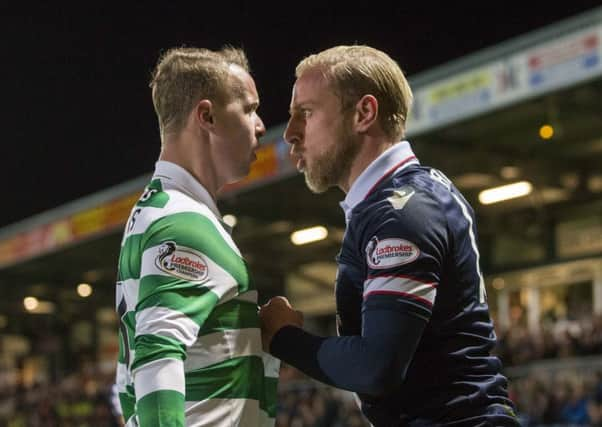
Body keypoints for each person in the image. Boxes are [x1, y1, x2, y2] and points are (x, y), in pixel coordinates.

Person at [259, 45, 519, 426]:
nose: (292, 134)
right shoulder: (401, 198)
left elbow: (375, 367)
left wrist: (282, 337)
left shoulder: (402, 211)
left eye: (307, 114)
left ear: (364, 113)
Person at [115, 46, 282, 426]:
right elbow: (158, 356)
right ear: (206, 116)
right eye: (248, 109)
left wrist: (259, 335)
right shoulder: (183, 222)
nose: (259, 125)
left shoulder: (157, 209)